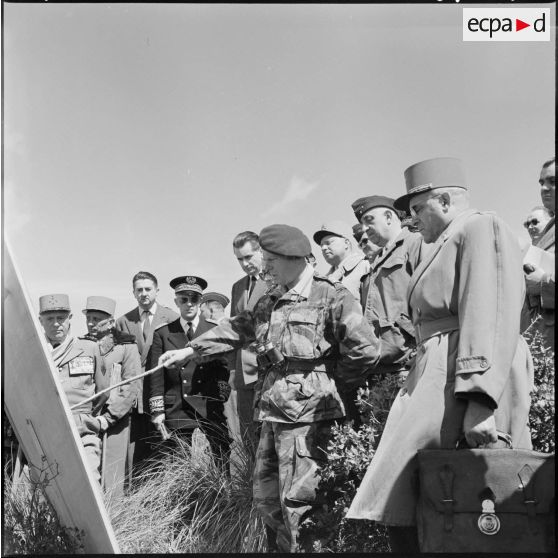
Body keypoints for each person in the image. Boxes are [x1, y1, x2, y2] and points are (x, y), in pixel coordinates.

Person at [347, 157, 534, 553]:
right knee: (418, 496)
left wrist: (481, 399)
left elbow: (490, 310)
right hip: (439, 371)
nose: (413, 221)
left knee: (472, 503)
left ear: (446, 201)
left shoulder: (480, 226)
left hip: (462, 375)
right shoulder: (446, 238)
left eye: (418, 210)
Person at [158, 224, 381, 553]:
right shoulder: (271, 299)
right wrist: (190, 349)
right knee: (268, 503)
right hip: (272, 417)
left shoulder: (331, 295)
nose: (265, 268)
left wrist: (327, 383)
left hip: (309, 423)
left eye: (271, 261)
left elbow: (366, 350)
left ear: (293, 257)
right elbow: (238, 327)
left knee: (303, 508)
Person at [351, 195, 424, 421]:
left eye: (369, 220)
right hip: (384, 364)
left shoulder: (415, 243)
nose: (365, 229)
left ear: (390, 217)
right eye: (362, 223)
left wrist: (407, 334)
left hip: (409, 361)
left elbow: (428, 296)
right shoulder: (377, 259)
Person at [146, 276, 231, 464]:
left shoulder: (214, 330)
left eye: (194, 299)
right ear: (176, 301)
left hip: (208, 404)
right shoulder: (163, 333)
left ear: (200, 301)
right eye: (184, 299)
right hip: (177, 405)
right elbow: (156, 375)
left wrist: (219, 395)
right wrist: (158, 411)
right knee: (179, 462)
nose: (189, 304)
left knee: (220, 454)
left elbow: (223, 367)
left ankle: (221, 494)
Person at [38, 294, 107, 482]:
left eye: (60, 318)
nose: (56, 324)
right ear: (40, 321)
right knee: (49, 485)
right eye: (49, 319)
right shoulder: (35, 351)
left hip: (82, 427)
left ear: (70, 319)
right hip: (46, 428)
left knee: (89, 481)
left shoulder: (89, 348)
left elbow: (103, 392)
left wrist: (85, 415)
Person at [115, 271, 179, 470]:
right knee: (137, 447)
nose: (144, 293)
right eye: (139, 290)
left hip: (162, 392)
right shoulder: (124, 321)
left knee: (167, 445)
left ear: (157, 291)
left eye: (148, 289)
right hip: (135, 395)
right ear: (133, 293)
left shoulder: (171, 317)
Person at [82, 296, 141, 497]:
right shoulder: (80, 346)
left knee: (112, 473)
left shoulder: (126, 346)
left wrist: (108, 418)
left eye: (97, 318)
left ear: (110, 321)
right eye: (88, 317)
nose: (91, 323)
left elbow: (131, 384)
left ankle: (114, 520)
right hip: (86, 419)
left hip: (115, 420)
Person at [230, 231, 268, 452]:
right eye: (239, 259)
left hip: (266, 370)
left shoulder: (276, 279)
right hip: (243, 376)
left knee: (267, 440)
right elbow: (235, 332)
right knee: (249, 441)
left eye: (248, 257)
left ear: (261, 251)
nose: (244, 264)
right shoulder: (238, 286)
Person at [523, 158, 555, 350]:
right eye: (542, 183)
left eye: (553, 182)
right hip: (540, 331)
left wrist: (542, 282)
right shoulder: (550, 228)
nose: (544, 188)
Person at [313, 220, 370, 300]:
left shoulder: (366, 267)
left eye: (328, 242)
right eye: (321, 245)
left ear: (346, 243)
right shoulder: (324, 281)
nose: (323, 248)